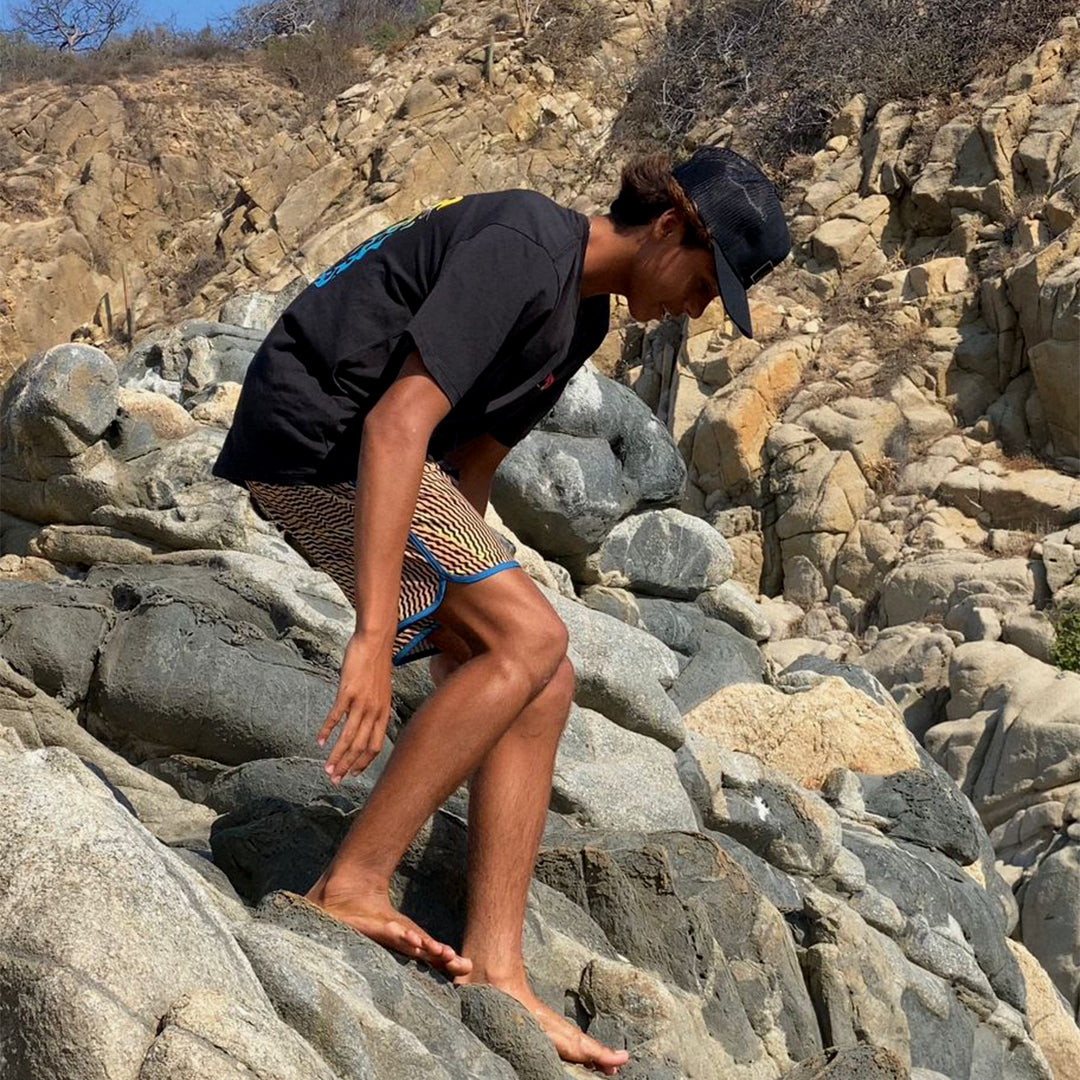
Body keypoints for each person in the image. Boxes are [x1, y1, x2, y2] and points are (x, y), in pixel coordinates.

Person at [212, 144, 790, 1074]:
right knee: (535, 635)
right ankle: (351, 885)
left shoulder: (582, 319)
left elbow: (468, 470)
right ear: (673, 227)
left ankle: (499, 969)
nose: (703, 306)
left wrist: (470, 634)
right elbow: (398, 421)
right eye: (707, 280)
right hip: (312, 438)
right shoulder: (525, 242)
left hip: (386, 455)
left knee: (543, 676)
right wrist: (373, 634)